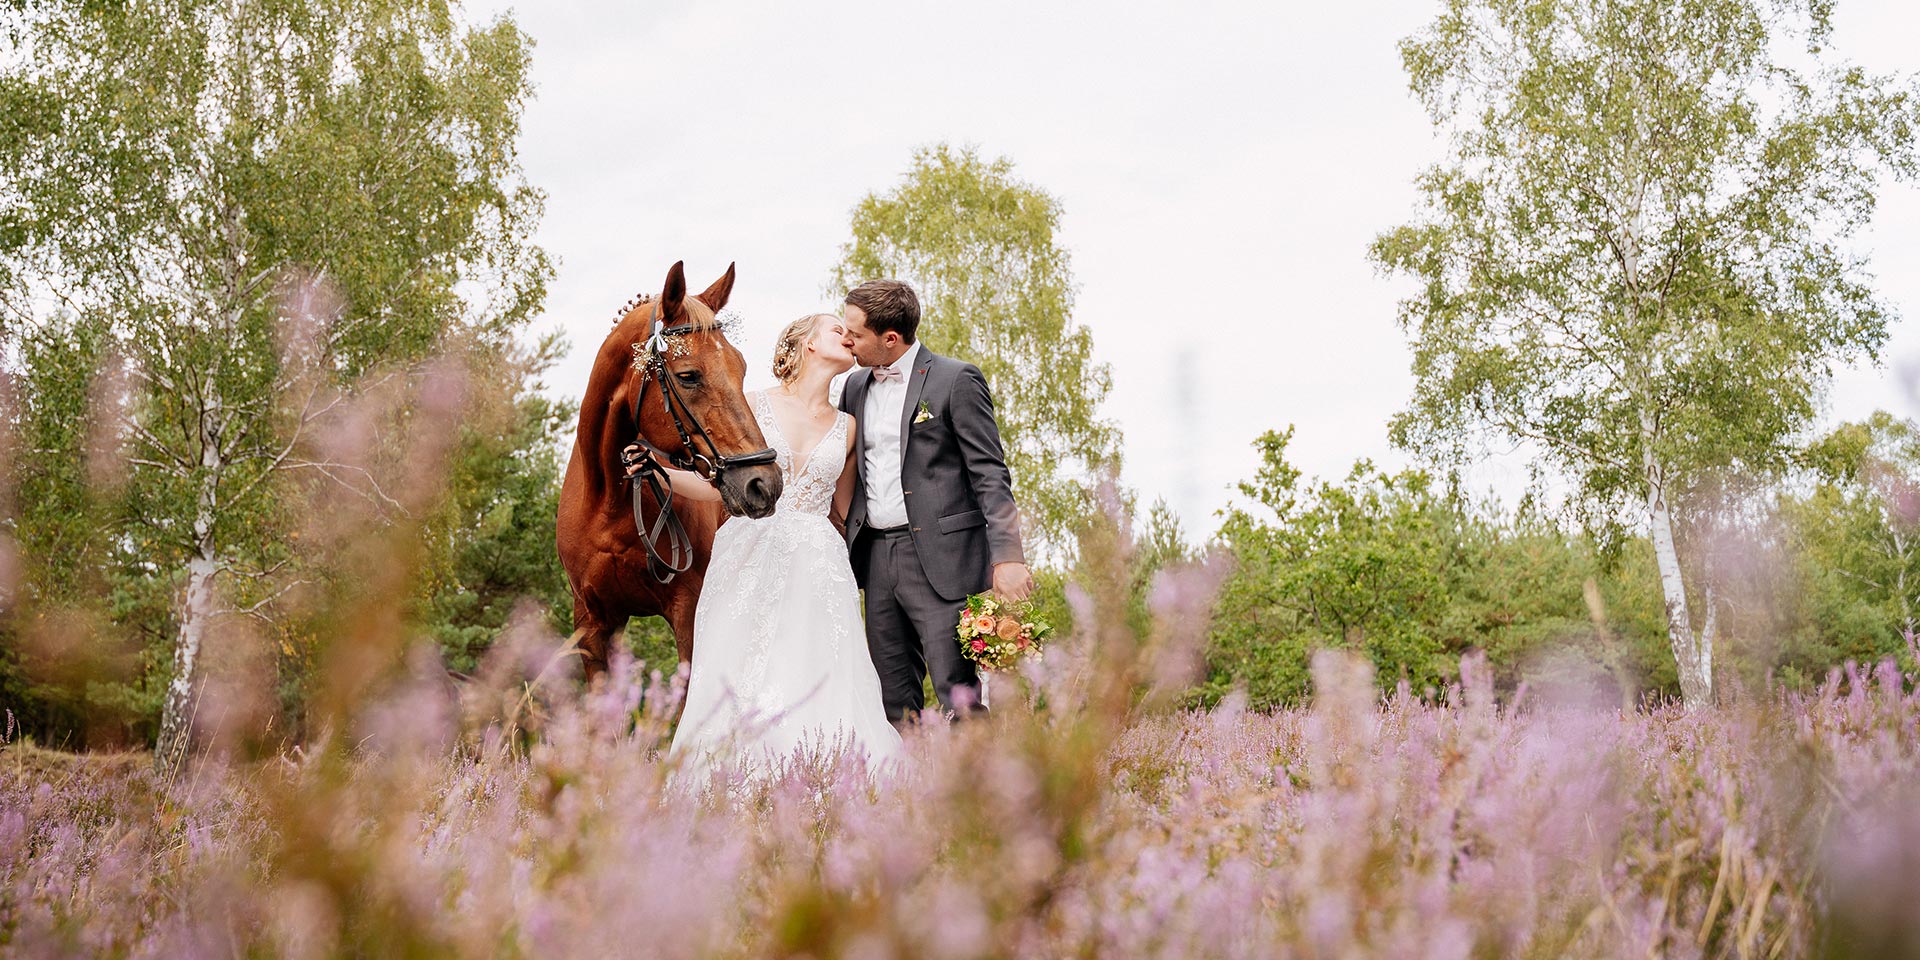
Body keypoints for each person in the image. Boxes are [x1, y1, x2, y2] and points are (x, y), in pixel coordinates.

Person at [639, 312, 902, 775]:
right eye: (835, 327)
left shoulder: (849, 427)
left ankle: (820, 780)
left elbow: (843, 509)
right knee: (739, 670)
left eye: (850, 330)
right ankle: (729, 781)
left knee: (817, 669)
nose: (847, 334)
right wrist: (661, 476)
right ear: (805, 344)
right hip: (747, 550)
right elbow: (721, 487)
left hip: (818, 560)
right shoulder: (754, 404)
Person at [837, 279, 1031, 723]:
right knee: (892, 699)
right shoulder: (853, 387)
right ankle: (911, 792)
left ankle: (972, 791)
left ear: (890, 338)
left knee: (958, 697)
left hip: (945, 560)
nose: (847, 340)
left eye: (856, 334)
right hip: (876, 558)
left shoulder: (955, 379)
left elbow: (990, 473)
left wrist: (1008, 557)